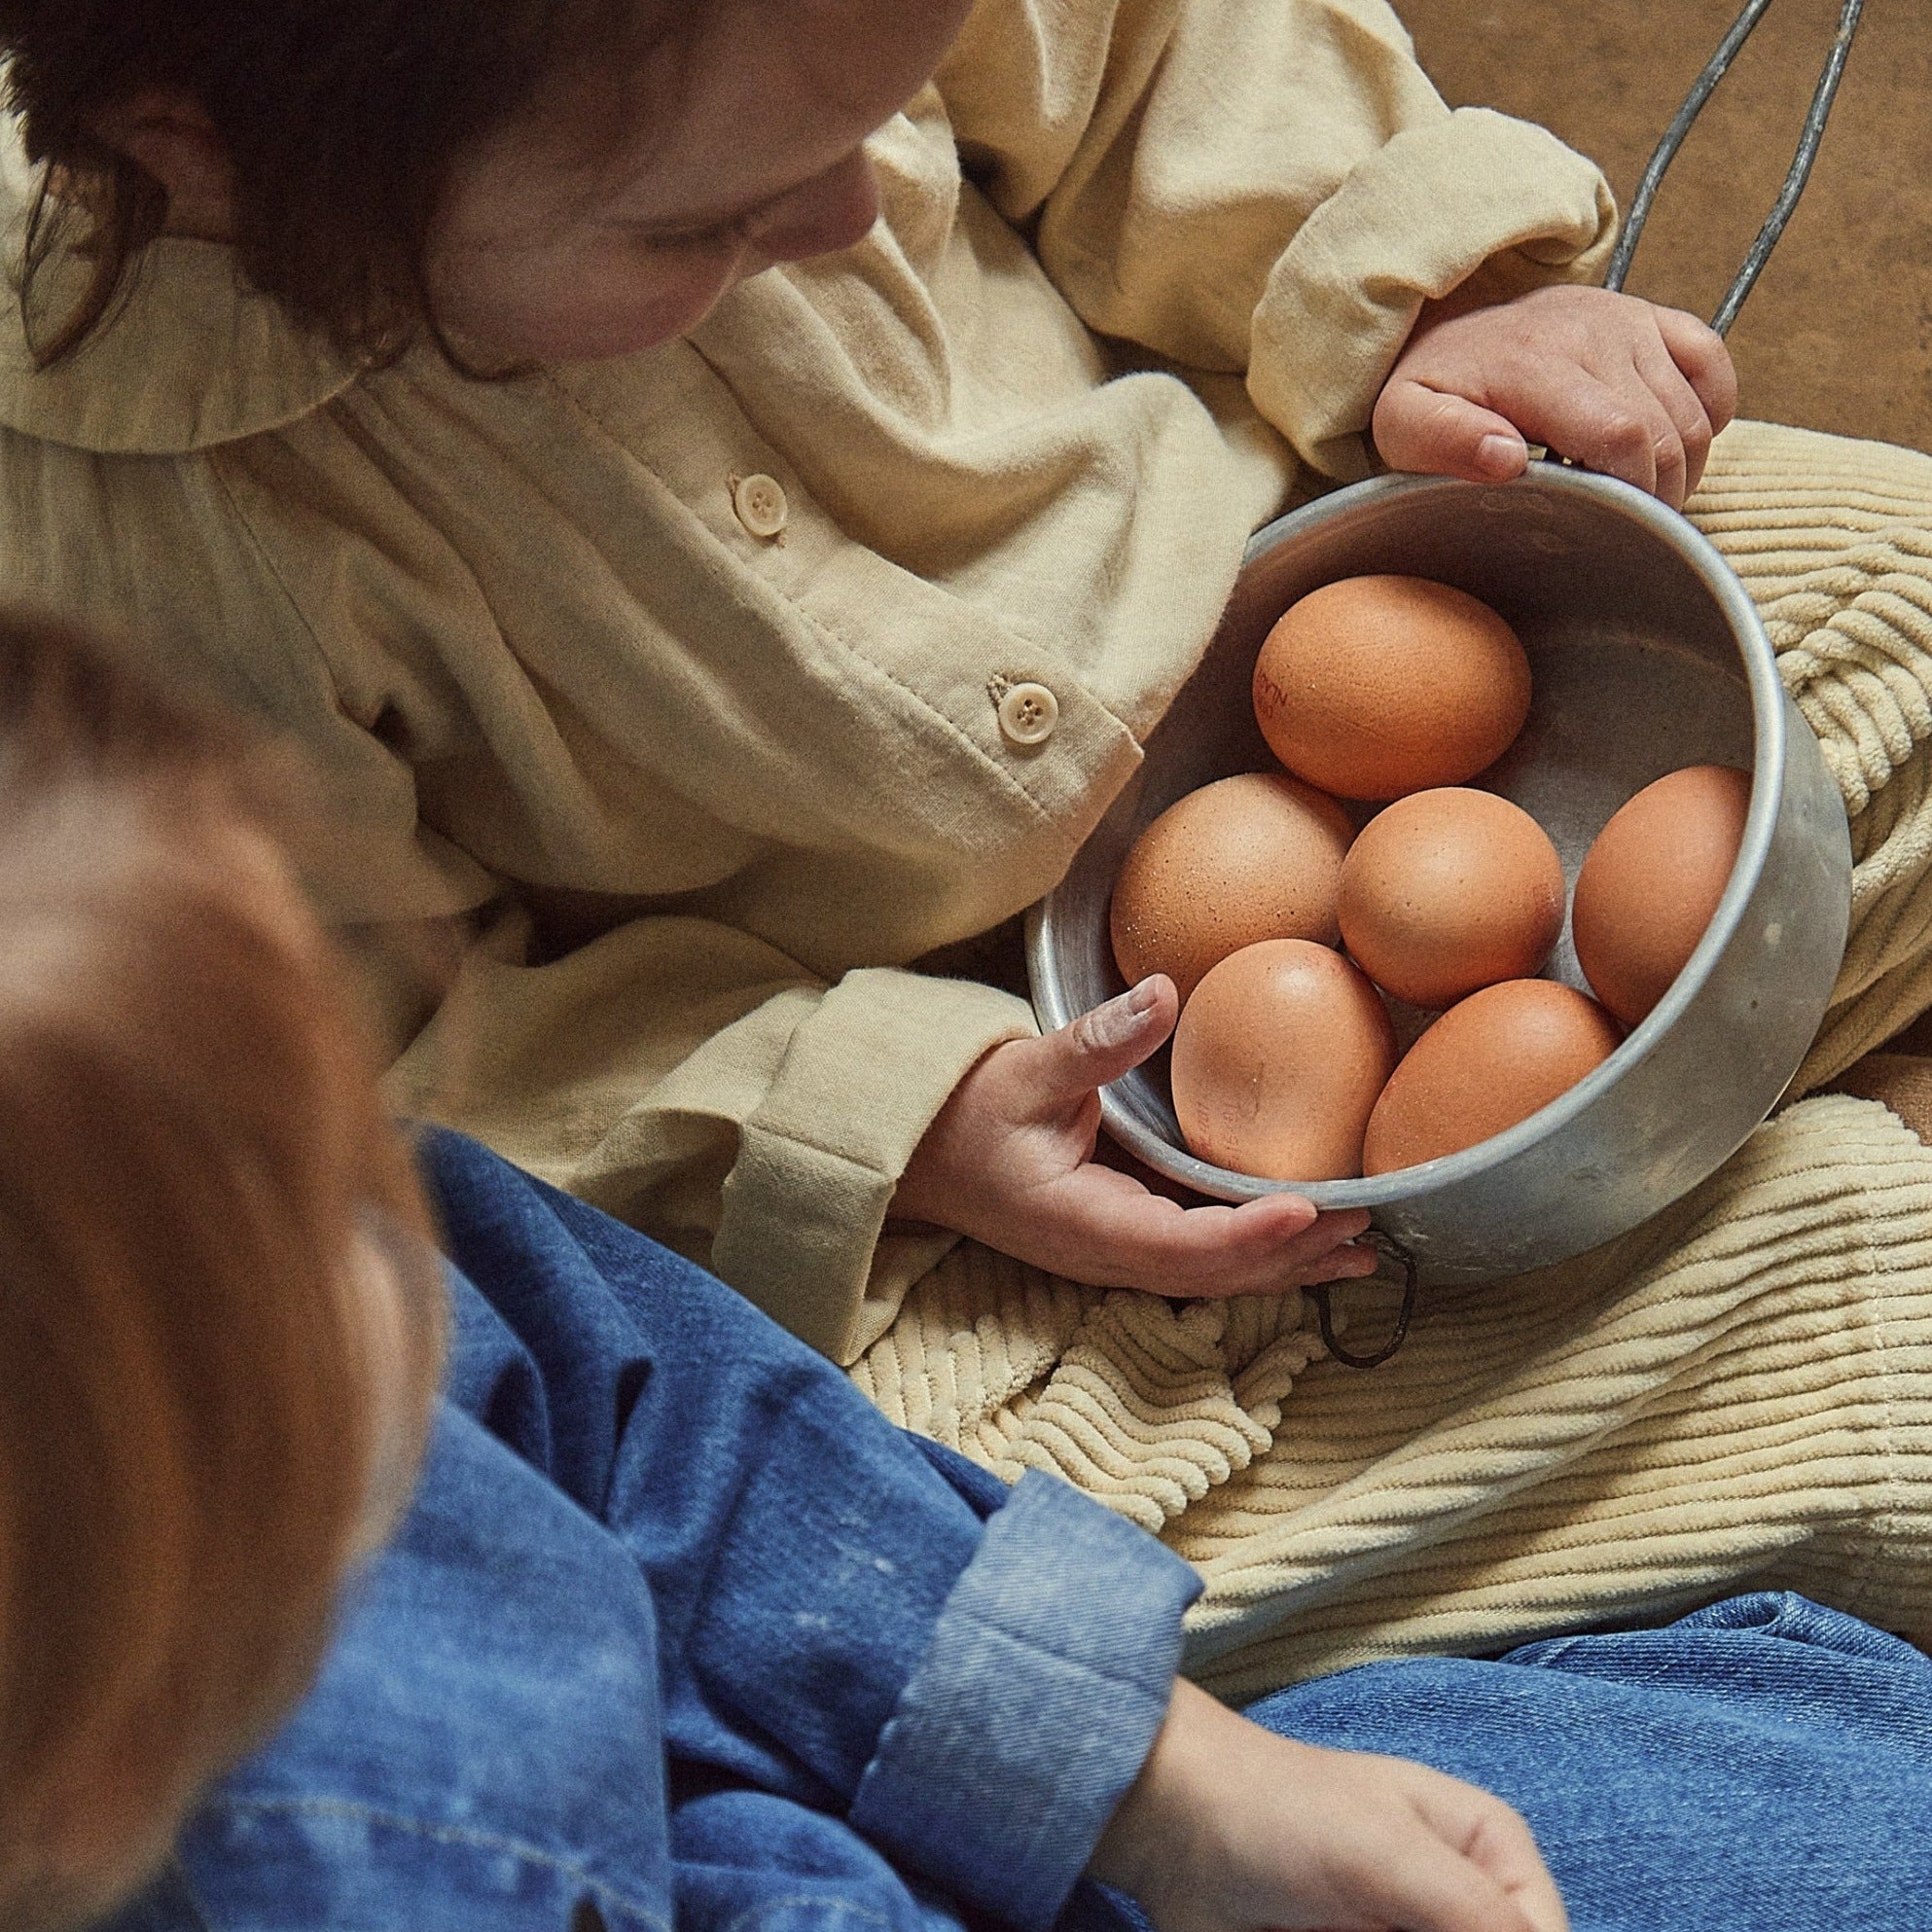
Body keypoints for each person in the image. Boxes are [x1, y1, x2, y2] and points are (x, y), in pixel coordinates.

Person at [3, 0, 1932, 1683]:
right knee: (958, 1533)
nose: (848, 210)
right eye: (707, 215)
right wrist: (875, 1117)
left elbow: (1159, 47)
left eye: (883, 101)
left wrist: (1413, 299)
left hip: (1335, 578)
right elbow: (391, 1063)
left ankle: (1541, 1261)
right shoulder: (120, 556)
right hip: (955, 1143)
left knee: (1904, 609)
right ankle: (1685, 1304)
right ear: (207, 163)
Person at [8, 607, 1932, 1932]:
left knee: (1860, 1798)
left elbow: (642, 1411)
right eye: (330, 1243)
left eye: (361, 1162)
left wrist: (1155, 1777)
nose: (416, 1241)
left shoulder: (212, 1283)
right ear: (95, 1782)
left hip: (937, 1813)